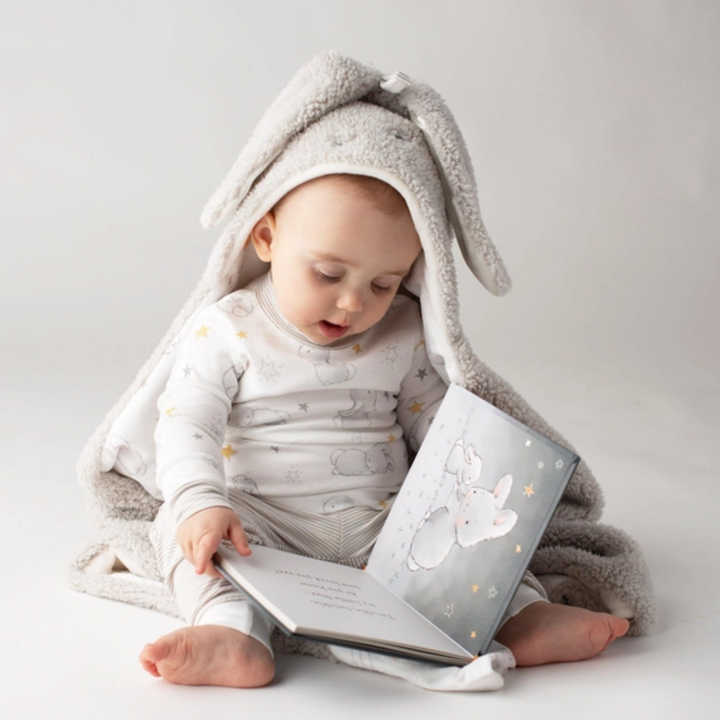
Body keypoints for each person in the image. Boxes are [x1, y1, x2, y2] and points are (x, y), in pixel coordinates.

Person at [139, 174, 629, 688]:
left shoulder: (402, 328)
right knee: (180, 528)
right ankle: (232, 633)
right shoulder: (227, 327)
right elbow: (188, 419)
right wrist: (201, 501)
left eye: (382, 284)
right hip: (260, 523)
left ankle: (521, 615)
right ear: (266, 240)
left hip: (381, 524)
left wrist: (475, 472)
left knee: (469, 545)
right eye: (328, 274)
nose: (353, 303)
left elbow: (435, 418)